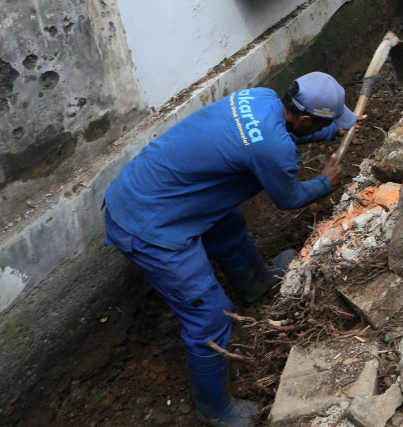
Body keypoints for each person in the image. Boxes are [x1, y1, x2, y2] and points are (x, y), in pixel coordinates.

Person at [103, 72, 357, 427]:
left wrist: (331, 131)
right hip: (149, 226)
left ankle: (257, 283)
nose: (324, 127)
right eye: (322, 123)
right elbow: (289, 198)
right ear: (303, 119)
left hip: (150, 188)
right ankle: (215, 411)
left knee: (228, 227)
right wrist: (325, 182)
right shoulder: (275, 149)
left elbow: (269, 137)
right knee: (209, 317)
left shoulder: (260, 98)